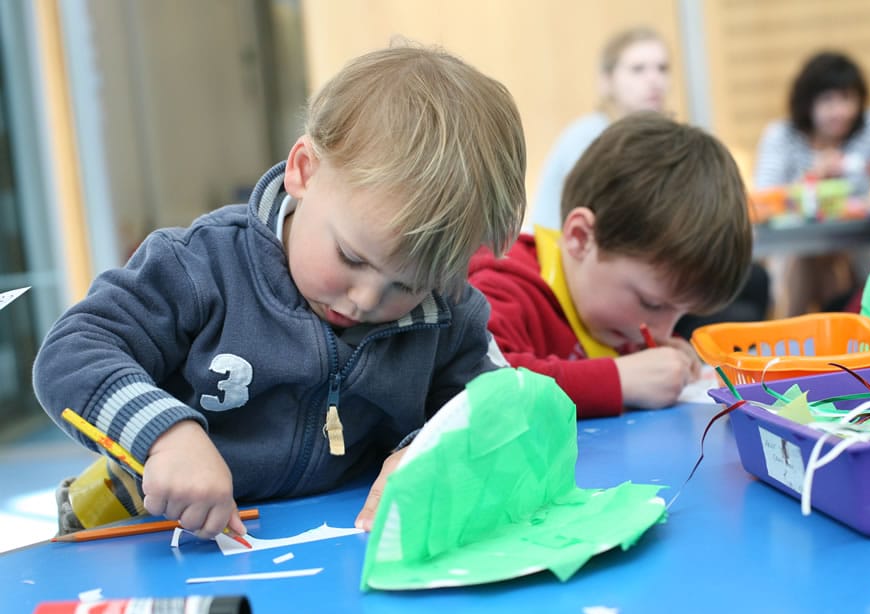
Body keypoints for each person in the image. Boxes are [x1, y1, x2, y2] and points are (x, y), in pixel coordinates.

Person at [32, 45, 526, 538]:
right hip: (150, 532)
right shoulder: (199, 266)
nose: (367, 301)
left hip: (326, 545)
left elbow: (500, 403)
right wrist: (165, 435)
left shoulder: (448, 311)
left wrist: (433, 449)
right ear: (304, 171)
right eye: (352, 258)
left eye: (409, 284)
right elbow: (72, 352)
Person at [468, 112, 752, 418]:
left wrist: (659, 360)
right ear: (581, 238)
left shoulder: (614, 316)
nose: (663, 329)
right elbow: (485, 383)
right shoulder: (502, 286)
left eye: (681, 313)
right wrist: (620, 379)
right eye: (652, 304)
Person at [754, 51, 870, 315]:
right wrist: (810, 179)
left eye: (847, 99)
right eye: (828, 100)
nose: (839, 111)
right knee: (804, 257)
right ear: (807, 103)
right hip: (798, 246)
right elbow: (764, 198)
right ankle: (793, 331)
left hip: (859, 240)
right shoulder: (781, 135)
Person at [531, 26, 671, 229]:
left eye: (662, 68)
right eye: (638, 69)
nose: (654, 80)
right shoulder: (588, 135)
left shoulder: (664, 138)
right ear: (606, 80)